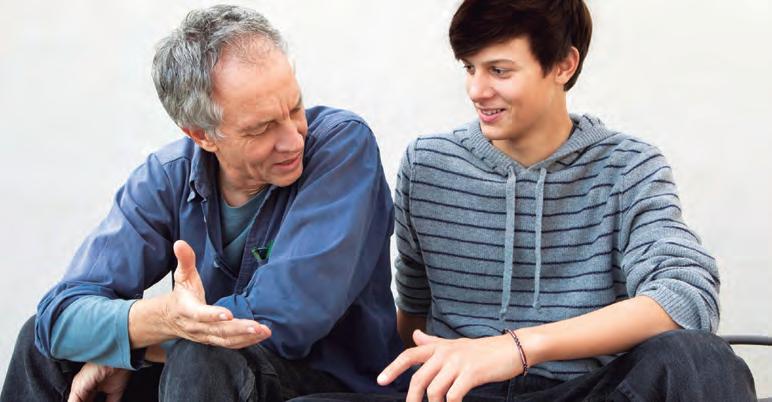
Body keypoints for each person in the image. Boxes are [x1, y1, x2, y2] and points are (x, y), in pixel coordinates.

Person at [294, 1, 757, 401]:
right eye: (470, 68)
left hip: (586, 391)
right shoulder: (427, 163)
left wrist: (516, 348)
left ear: (563, 65)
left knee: (702, 358)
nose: (477, 90)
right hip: (460, 395)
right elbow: (413, 311)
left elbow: (686, 296)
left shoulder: (628, 167)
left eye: (499, 70)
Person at [0, 5, 405, 402]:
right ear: (201, 135)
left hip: (324, 382)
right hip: (206, 375)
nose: (292, 139)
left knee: (203, 354)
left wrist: (134, 347)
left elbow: (283, 319)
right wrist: (160, 319)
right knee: (44, 349)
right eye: (262, 128)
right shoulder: (167, 177)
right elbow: (59, 319)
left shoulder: (341, 146)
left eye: (295, 106)